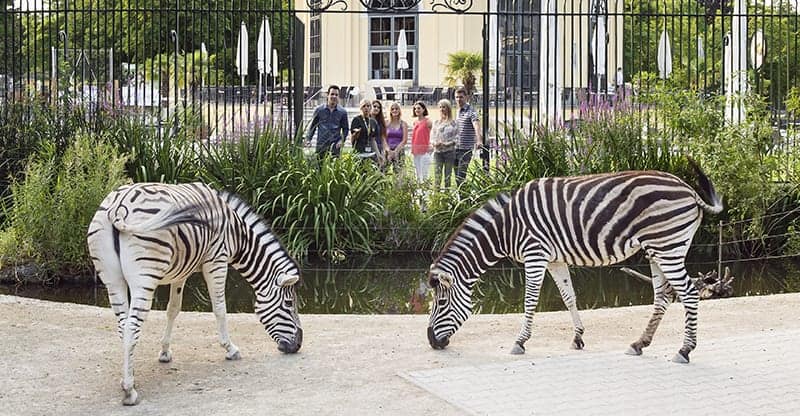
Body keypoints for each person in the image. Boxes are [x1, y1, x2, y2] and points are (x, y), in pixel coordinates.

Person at [304, 85, 349, 159]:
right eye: (332, 94)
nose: (334, 96)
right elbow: (312, 127)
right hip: (321, 145)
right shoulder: (319, 110)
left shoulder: (343, 112)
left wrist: (342, 140)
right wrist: (308, 139)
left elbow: (346, 129)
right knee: (320, 168)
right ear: (327, 95)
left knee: (334, 169)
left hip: (335, 146)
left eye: (336, 95)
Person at [453, 86, 482, 185]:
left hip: (465, 150)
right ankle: (462, 198)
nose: (458, 99)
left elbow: (476, 125)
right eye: (456, 97)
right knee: (457, 177)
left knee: (461, 177)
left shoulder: (471, 111)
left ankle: (465, 199)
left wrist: (479, 140)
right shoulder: (458, 111)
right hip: (455, 148)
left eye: (461, 97)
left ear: (466, 97)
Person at [430, 99, 458, 189]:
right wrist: (434, 143)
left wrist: (448, 144)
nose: (442, 109)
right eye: (440, 107)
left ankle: (447, 197)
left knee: (447, 176)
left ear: (448, 108)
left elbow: (457, 137)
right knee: (437, 175)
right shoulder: (436, 122)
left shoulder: (454, 123)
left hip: (449, 152)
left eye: (444, 107)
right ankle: (436, 197)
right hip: (437, 152)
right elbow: (432, 137)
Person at [349, 99, 382, 164]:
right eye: (364, 106)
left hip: (370, 152)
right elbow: (352, 139)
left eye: (368, 106)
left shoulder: (373, 122)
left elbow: (373, 139)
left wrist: (378, 154)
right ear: (361, 108)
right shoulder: (356, 120)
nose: (366, 108)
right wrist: (356, 133)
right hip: (359, 152)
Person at [384, 101, 408, 179]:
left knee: (398, 174)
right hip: (388, 151)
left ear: (399, 110)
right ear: (390, 111)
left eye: (396, 109)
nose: (394, 110)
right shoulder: (386, 123)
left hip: (399, 151)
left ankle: (397, 190)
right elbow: (383, 139)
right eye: (392, 109)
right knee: (384, 172)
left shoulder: (403, 124)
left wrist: (396, 152)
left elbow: (404, 140)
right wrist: (389, 151)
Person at [410, 101, 433, 182]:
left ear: (423, 109)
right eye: (415, 108)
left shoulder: (428, 121)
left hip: (424, 151)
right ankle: (418, 193)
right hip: (415, 151)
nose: (417, 110)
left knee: (424, 174)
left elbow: (433, 134)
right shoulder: (415, 122)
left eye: (419, 108)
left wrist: (431, 145)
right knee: (417, 174)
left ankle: (426, 193)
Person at [371, 100, 388, 166]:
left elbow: (383, 137)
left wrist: (383, 152)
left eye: (378, 107)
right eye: (374, 106)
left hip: (379, 147)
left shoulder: (380, 122)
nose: (376, 108)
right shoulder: (367, 120)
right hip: (370, 148)